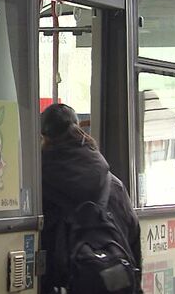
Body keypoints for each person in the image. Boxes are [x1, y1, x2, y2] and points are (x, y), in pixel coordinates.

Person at [40, 103, 142, 294]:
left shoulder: (39, 186)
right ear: (78, 130)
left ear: (45, 138)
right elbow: (133, 237)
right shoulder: (114, 185)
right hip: (112, 283)